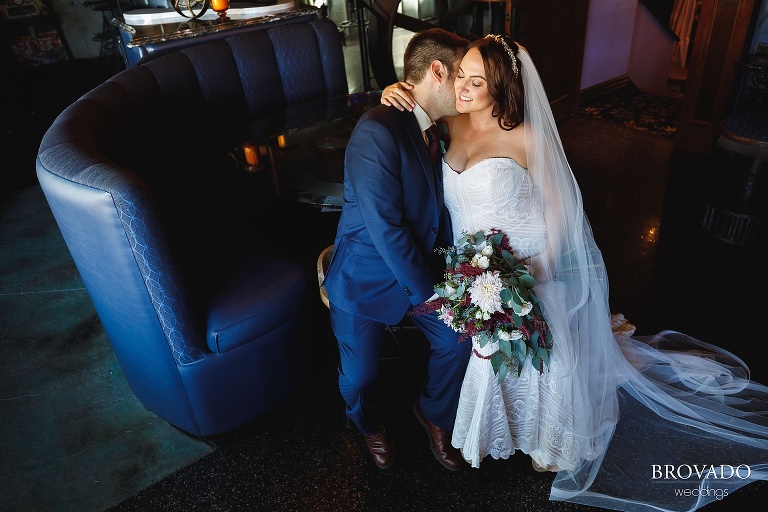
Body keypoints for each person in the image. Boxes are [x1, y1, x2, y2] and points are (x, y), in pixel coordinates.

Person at [381, 34, 768, 511]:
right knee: (486, 353)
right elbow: (411, 117)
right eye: (460, 74)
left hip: (524, 266)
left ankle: (547, 438)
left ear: (500, 88)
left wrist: (531, 271)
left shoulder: (527, 136)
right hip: (473, 271)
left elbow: (562, 214)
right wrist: (392, 94)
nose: (462, 87)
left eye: (476, 81)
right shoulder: (445, 123)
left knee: (538, 355)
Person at [322, 28, 472, 472]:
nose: (465, 86)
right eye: (461, 75)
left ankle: (433, 413)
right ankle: (368, 424)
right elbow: (388, 230)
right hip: (365, 277)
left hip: (420, 268)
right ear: (438, 72)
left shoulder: (435, 127)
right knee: (360, 379)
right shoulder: (377, 131)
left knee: (459, 341)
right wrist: (432, 295)